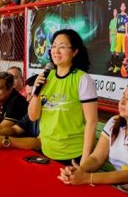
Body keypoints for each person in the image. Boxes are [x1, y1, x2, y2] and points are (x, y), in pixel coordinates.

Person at [28, 29, 98, 165]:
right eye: (54, 46)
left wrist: (85, 157)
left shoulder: (82, 79)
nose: (56, 51)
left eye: (62, 47)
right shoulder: (46, 77)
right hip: (46, 151)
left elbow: (92, 121)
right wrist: (35, 94)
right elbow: (33, 116)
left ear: (74, 52)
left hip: (73, 155)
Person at [0, 74, 40, 149]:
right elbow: (15, 129)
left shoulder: (18, 102)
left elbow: (39, 143)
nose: (27, 99)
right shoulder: (31, 110)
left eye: (31, 95)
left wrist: (5, 141)